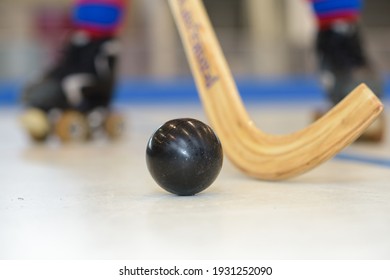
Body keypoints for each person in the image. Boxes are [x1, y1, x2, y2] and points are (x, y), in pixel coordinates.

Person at [309, 0, 385, 142]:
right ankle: (342, 104)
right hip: (333, 27)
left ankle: (351, 105)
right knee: (336, 71)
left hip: (345, 25)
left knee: (348, 69)